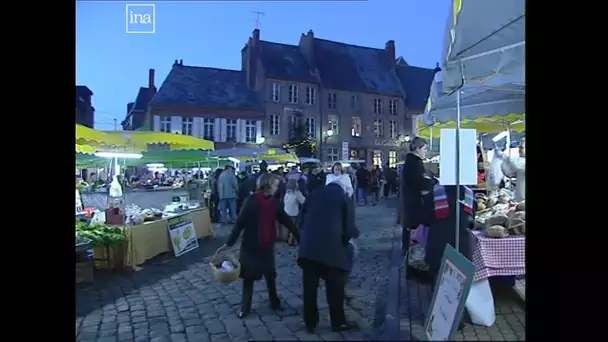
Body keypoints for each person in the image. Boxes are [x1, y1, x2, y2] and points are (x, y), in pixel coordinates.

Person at [224, 173, 299, 319]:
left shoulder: (273, 202)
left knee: (270, 276)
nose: (277, 188)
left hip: (267, 246)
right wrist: (230, 242)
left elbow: (285, 220)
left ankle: (274, 303)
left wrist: (299, 235)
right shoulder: (251, 200)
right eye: (276, 185)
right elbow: (240, 222)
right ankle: (245, 307)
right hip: (251, 246)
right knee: (248, 277)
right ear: (268, 184)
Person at [297, 181, 359, 333]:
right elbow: (349, 228)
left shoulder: (313, 195)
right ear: (342, 188)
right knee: (335, 288)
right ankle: (338, 322)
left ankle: (310, 322)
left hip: (309, 248)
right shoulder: (344, 198)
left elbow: (301, 220)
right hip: (332, 249)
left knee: (309, 288)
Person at [400, 137, 436, 256]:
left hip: (412, 201)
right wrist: (431, 182)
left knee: (410, 225)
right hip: (414, 202)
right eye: (424, 149)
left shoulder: (413, 161)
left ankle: (409, 250)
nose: (425, 152)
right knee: (413, 226)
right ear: (417, 149)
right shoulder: (414, 162)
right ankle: (411, 254)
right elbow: (418, 181)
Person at [283, 179, 306, 245]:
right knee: (294, 227)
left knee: (287, 227)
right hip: (293, 212)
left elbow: (284, 201)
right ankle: (291, 241)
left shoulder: (286, 192)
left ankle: (285, 239)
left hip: (286, 211)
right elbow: (303, 201)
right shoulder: (297, 192)